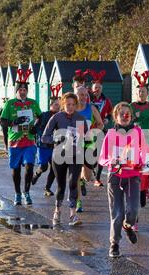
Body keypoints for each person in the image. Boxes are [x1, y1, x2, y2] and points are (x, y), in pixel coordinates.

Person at [98, 102, 149, 258]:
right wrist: (113, 161)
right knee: (117, 212)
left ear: (132, 116)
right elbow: (102, 158)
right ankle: (114, 244)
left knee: (133, 211)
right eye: (122, 114)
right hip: (115, 177)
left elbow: (145, 152)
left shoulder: (138, 132)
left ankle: (128, 226)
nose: (125, 116)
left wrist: (142, 164)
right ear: (116, 117)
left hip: (133, 176)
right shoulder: (111, 134)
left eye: (128, 114)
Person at [42, 92, 89, 227]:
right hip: (59, 155)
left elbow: (84, 139)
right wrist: (58, 139)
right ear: (63, 104)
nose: (70, 107)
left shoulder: (80, 119)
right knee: (61, 185)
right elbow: (45, 137)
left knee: (73, 183)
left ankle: (73, 214)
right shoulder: (57, 117)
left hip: (75, 155)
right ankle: (57, 211)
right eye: (68, 104)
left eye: (73, 105)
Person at [0, 68, 42, 206]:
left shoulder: (33, 103)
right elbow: (2, 120)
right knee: (16, 169)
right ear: (17, 91)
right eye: (20, 90)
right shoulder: (10, 104)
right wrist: (14, 122)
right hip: (15, 141)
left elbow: (40, 117)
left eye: (25, 90)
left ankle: (27, 192)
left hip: (29, 140)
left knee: (30, 166)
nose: (23, 92)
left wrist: (36, 127)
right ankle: (17, 193)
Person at [74, 85, 104, 213]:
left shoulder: (91, 108)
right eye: (81, 95)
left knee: (87, 176)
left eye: (86, 95)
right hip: (75, 145)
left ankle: (82, 180)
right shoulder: (71, 108)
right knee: (74, 173)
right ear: (76, 95)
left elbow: (100, 124)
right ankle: (78, 202)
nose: (84, 97)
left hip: (89, 143)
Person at [31, 84, 62, 197]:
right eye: (55, 105)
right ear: (51, 105)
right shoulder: (44, 115)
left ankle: (47, 188)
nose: (58, 107)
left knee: (54, 169)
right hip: (43, 145)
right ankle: (36, 174)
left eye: (59, 105)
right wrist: (33, 130)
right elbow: (35, 128)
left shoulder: (61, 116)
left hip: (55, 146)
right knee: (44, 167)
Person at [89, 70, 114, 188]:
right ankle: (90, 170)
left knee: (101, 154)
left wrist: (107, 119)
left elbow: (110, 112)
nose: (97, 89)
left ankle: (97, 178)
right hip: (89, 130)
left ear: (102, 88)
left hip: (101, 129)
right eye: (95, 87)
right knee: (90, 155)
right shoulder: (89, 99)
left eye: (99, 87)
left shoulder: (106, 100)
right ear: (92, 88)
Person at [131, 71, 149, 153]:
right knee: (135, 161)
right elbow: (126, 122)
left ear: (147, 93)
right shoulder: (131, 106)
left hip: (148, 139)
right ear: (136, 93)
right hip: (134, 138)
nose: (141, 93)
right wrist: (134, 118)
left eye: (143, 91)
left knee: (147, 161)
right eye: (139, 91)